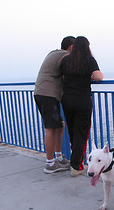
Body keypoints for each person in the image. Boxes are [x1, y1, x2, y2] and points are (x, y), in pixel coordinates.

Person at [60, 36, 103, 177]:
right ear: (86, 47)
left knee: (72, 132)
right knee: (82, 133)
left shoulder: (66, 60)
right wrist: (89, 75)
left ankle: (74, 160)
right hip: (83, 100)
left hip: (67, 100)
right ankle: (76, 166)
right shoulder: (89, 60)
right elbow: (99, 77)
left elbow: (61, 77)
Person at [34, 36, 75, 174]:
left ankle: (58, 157)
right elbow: (70, 73)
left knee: (60, 125)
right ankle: (50, 164)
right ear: (71, 47)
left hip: (45, 93)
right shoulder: (65, 56)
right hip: (47, 94)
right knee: (50, 128)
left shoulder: (54, 53)